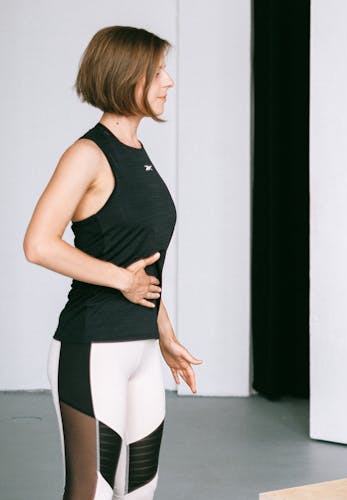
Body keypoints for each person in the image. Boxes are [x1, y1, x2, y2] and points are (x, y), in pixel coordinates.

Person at [23, 26, 201, 500]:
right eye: (158, 71)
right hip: (92, 347)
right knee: (93, 492)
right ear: (127, 77)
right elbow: (39, 244)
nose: (169, 82)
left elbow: (143, 263)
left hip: (142, 351)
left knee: (140, 490)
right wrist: (121, 279)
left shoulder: (139, 154)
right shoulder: (87, 154)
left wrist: (163, 331)